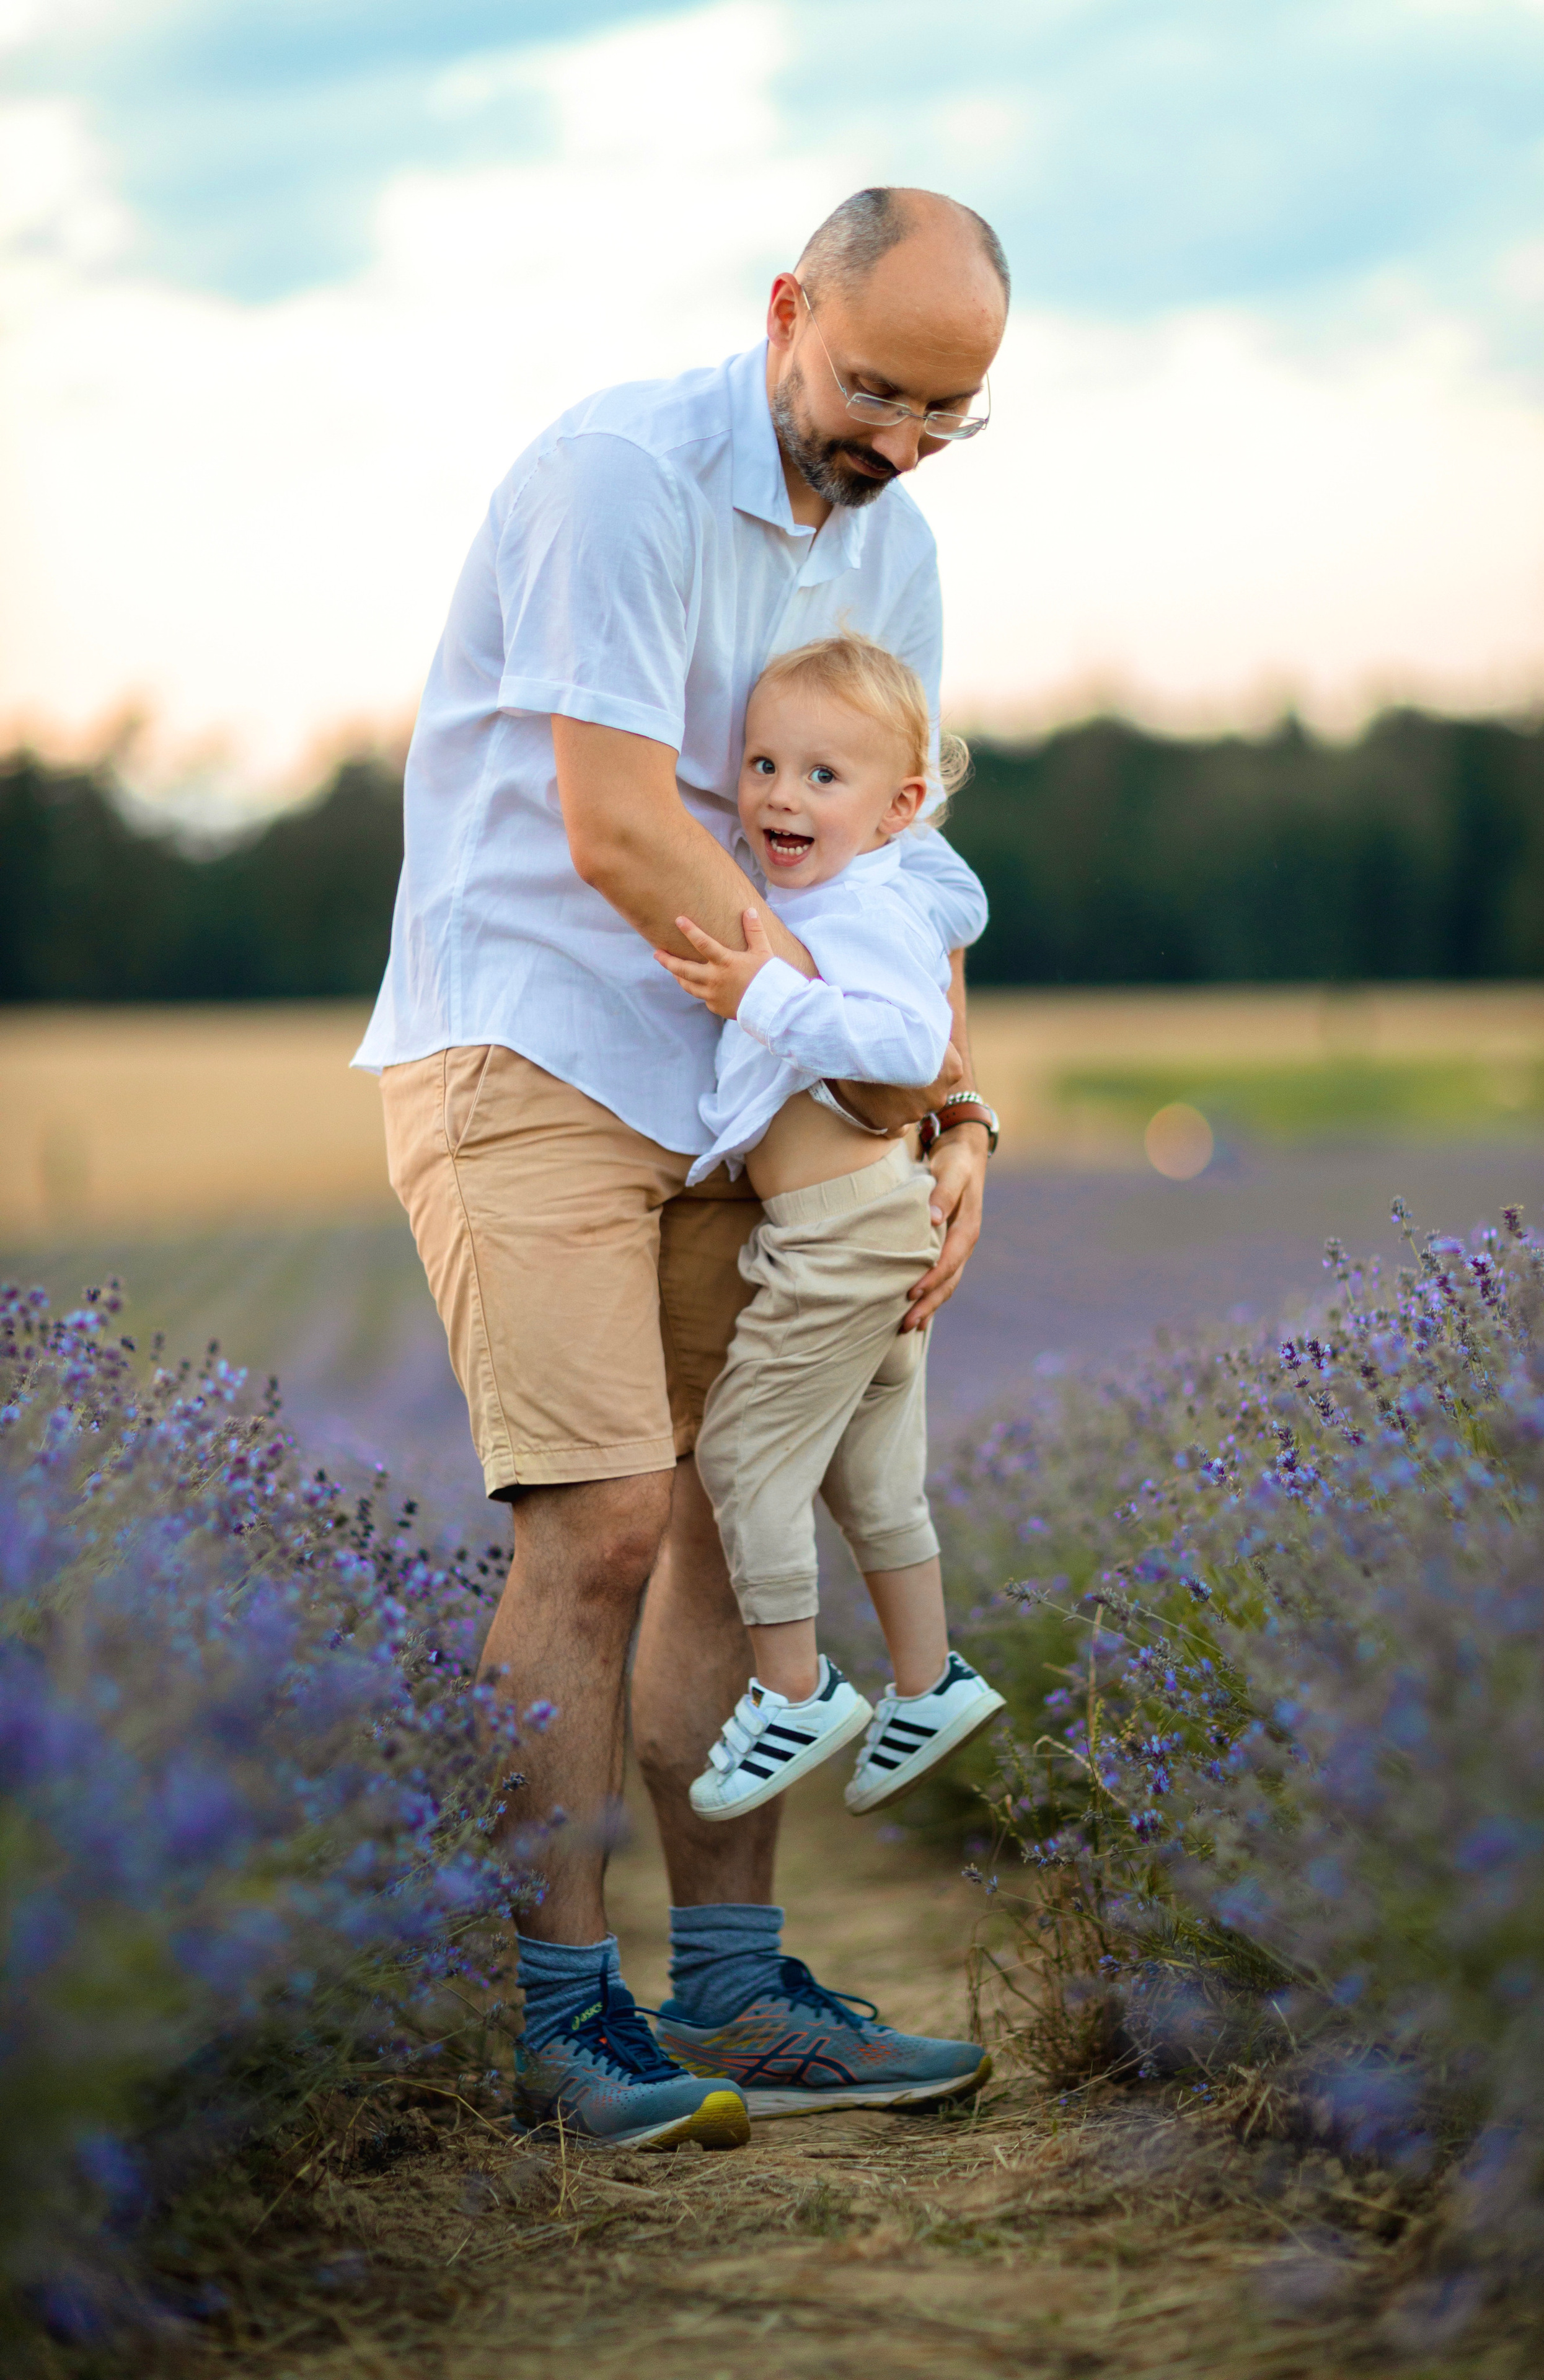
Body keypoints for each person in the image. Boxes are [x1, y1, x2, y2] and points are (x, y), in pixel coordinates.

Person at [355, 187, 1007, 2149]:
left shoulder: (898, 551)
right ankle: (566, 2020)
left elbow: (898, 863)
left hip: (748, 1077)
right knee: (605, 1523)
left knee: (744, 1509)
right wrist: (846, 1048)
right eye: (878, 389)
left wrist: (950, 1110)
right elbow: (620, 827)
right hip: (536, 1035)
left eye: (949, 413)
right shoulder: (620, 478)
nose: (904, 444)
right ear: (789, 309)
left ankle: (735, 1997)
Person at [651, 633, 1006, 1841]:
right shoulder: (876, 883)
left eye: (821, 776)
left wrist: (760, 995)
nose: (778, 798)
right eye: (761, 766)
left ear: (896, 808)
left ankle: (795, 1693)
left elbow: (912, 1048)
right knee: (870, 1479)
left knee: (744, 1455)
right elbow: (953, 894)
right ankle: (929, 1680)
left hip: (842, 1237)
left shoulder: (859, 911)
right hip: (871, 1228)